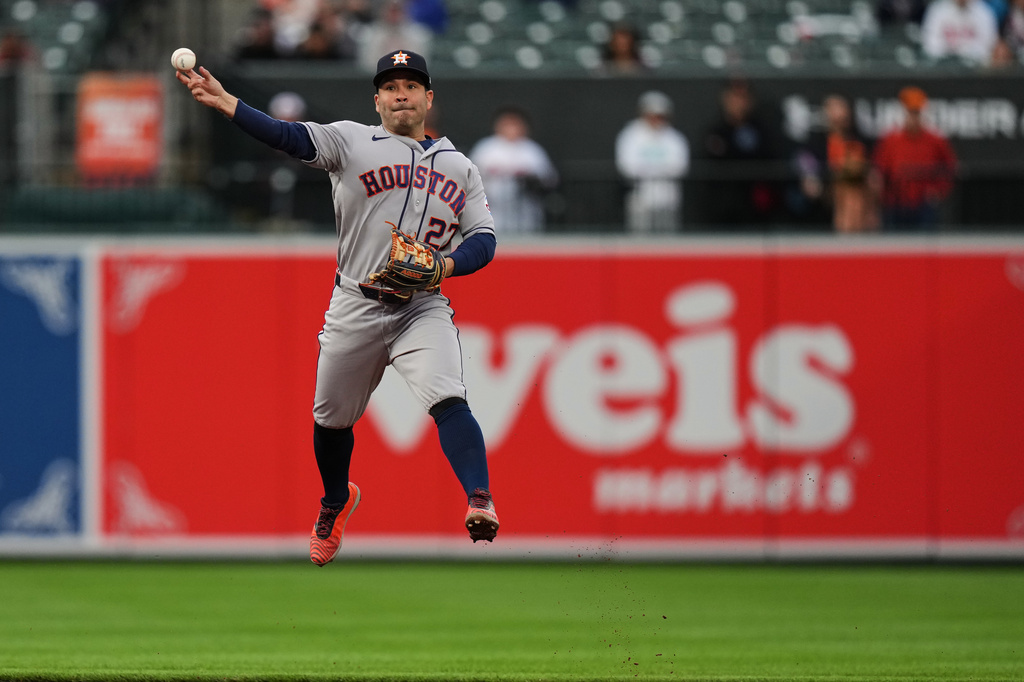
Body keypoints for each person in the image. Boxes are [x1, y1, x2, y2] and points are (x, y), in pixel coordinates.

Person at [176, 48, 500, 564]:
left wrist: (446, 265)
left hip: (421, 306)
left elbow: (484, 238)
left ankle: (479, 499)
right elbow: (287, 136)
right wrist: (230, 104)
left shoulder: (461, 168)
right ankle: (335, 500)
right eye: (390, 87)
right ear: (377, 100)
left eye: (410, 86)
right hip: (356, 302)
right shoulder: (351, 141)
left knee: (448, 397)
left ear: (428, 98)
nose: (400, 94)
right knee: (329, 419)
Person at [872, 86, 958, 231]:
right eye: (909, 112)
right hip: (895, 202)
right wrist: (881, 195)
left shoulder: (935, 140)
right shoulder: (890, 140)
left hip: (924, 204)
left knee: (925, 240)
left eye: (916, 113)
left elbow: (950, 168)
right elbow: (878, 171)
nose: (913, 117)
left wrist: (939, 191)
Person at [702, 78, 781, 227]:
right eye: (735, 97)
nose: (739, 103)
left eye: (743, 97)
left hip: (756, 210)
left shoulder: (761, 130)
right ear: (725, 99)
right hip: (725, 209)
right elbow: (718, 163)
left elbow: (766, 161)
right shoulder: (716, 131)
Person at [468, 106, 559, 233]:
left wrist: (530, 179)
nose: (511, 128)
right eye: (507, 124)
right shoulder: (486, 148)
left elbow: (549, 179)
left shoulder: (532, 150)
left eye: (515, 124)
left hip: (525, 212)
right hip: (492, 211)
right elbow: (468, 178)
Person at [614, 91, 690, 233]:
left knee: (667, 237)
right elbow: (627, 166)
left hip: (668, 199)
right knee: (639, 237)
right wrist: (659, 170)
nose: (656, 120)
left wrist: (649, 170)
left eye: (660, 116)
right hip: (640, 197)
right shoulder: (630, 135)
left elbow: (680, 166)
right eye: (652, 115)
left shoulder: (674, 138)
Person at [819, 95, 879, 233]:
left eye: (843, 111)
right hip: (829, 190)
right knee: (846, 192)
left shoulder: (858, 141)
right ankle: (844, 228)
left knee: (855, 192)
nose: (840, 117)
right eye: (834, 111)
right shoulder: (818, 143)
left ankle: (860, 227)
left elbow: (865, 167)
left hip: (859, 188)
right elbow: (809, 164)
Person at [357, 1, 432, 72]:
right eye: (391, 10)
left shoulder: (419, 35)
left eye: (398, 10)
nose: (394, 15)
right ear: (382, 11)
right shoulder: (369, 35)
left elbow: (421, 65)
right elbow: (367, 65)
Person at [920, 0, 1000, 65]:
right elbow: (930, 45)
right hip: (941, 67)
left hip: (975, 69)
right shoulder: (937, 10)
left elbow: (989, 46)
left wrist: (963, 52)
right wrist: (952, 53)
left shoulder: (984, 11)